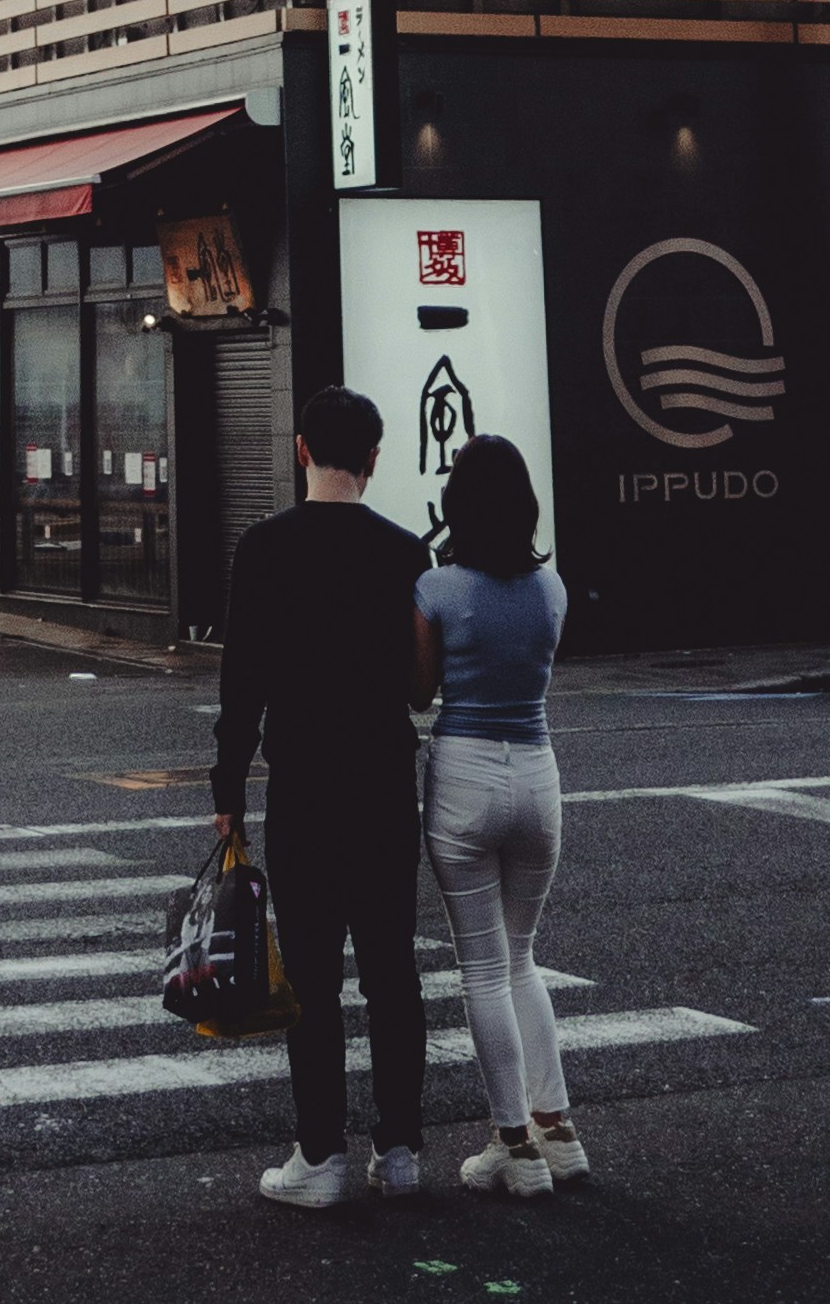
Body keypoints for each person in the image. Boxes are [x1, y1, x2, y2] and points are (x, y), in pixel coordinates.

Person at [210, 383, 430, 1211]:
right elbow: (416, 691)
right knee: (390, 970)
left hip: (302, 784)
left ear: (300, 449)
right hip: (381, 780)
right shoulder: (406, 552)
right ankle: (402, 1148)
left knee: (311, 973)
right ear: (374, 457)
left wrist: (227, 786)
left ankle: (320, 1155)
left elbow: (243, 683)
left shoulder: (263, 549)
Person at [414, 434, 581, 1195]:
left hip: (465, 773)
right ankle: (560, 1134)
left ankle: (512, 1146)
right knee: (524, 959)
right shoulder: (552, 591)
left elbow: (419, 691)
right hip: (538, 775)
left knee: (482, 967)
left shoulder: (437, 589)